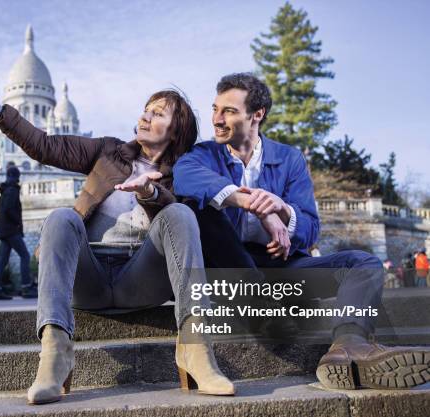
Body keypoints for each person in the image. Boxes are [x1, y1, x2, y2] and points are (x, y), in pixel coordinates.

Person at [0, 74, 234, 404]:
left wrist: (150, 192)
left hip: (142, 279)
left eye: (158, 113)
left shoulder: (185, 174)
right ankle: (54, 353)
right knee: (62, 216)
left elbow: (186, 226)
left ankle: (196, 348)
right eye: (146, 109)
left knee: (180, 215)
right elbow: (45, 146)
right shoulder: (107, 151)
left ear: (176, 130)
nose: (146, 115)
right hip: (87, 276)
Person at [174, 72, 430, 391]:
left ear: (257, 115)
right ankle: (267, 312)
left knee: (364, 263)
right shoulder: (203, 155)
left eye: (228, 111)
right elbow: (183, 178)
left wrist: (282, 210)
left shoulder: (289, 158)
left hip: (282, 270)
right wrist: (254, 204)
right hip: (233, 271)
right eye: (215, 109)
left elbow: (309, 230)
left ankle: (348, 346)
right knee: (200, 207)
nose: (216, 119)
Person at [0, 165, 37, 300]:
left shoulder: (5, 190)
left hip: (4, 230)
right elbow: (9, 210)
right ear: (17, 177)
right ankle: (26, 288)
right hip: (11, 230)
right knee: (25, 256)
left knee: (2, 260)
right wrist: (17, 223)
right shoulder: (12, 191)